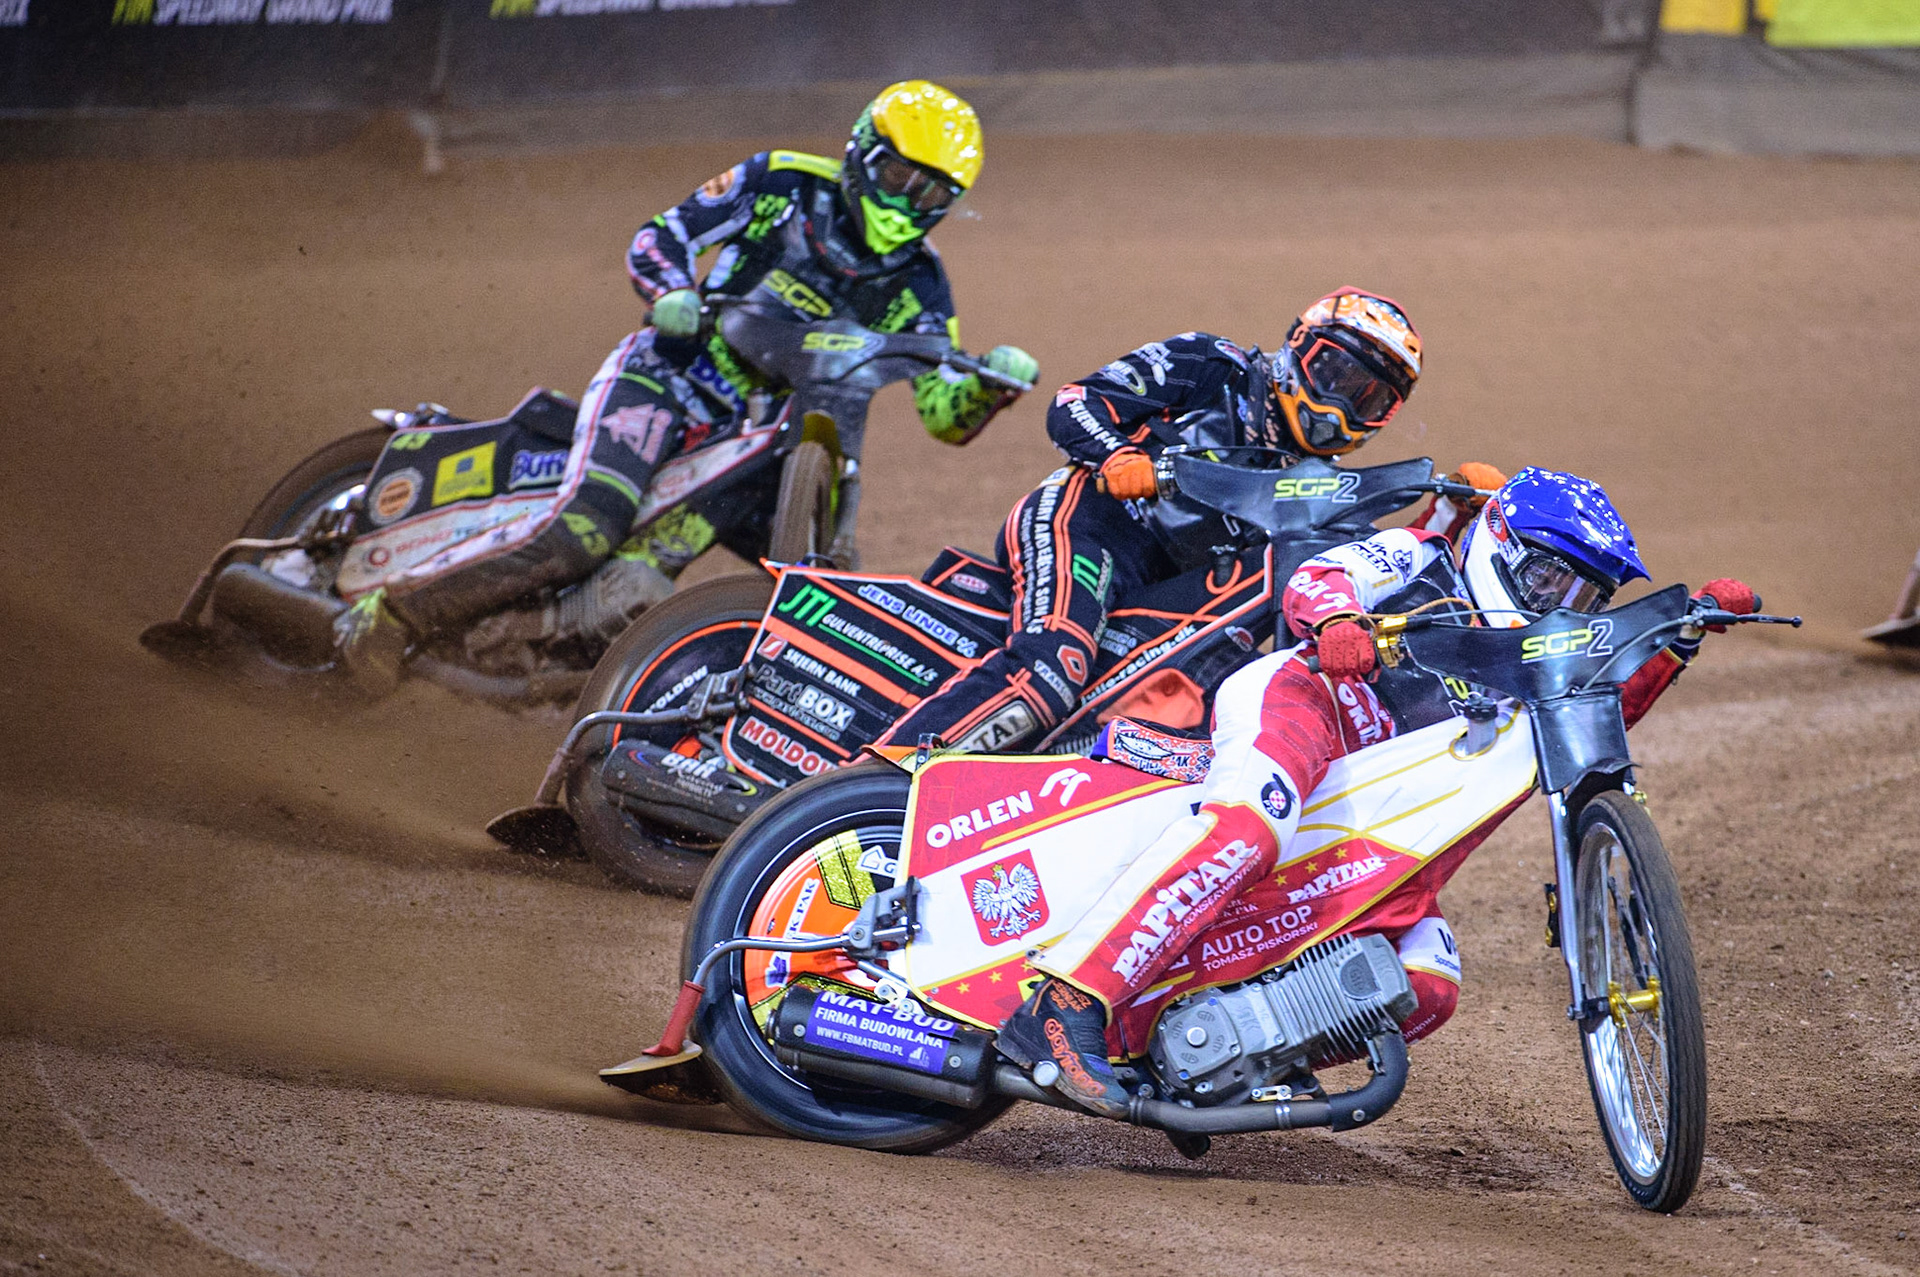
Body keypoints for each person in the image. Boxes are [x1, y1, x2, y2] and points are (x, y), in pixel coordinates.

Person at [995, 467, 1758, 1115]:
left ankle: (1214, 1067)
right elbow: (1320, 576)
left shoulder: (1534, 668)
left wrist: (1676, 643)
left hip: (1375, 825)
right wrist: (1336, 619)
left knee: (1429, 981)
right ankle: (1064, 1005)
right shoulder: (1422, 556)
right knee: (1252, 825)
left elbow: (1599, 714)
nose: (1560, 604)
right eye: (1549, 578)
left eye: (1583, 597)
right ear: (1500, 543)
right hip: (1306, 706)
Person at [332, 80, 1039, 694]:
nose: (908, 200)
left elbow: (943, 408)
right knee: (588, 528)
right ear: (861, 150)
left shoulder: (922, 280)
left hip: (762, 442)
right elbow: (660, 236)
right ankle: (394, 613)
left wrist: (992, 384)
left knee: (787, 594)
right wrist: (670, 289)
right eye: (898, 175)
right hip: (666, 379)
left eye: (933, 191)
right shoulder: (783, 183)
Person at [877, 287, 1504, 754]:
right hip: (1091, 525)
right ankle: (872, 790)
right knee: (1050, 672)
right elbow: (1075, 402)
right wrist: (1117, 455)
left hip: (1172, 594)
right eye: (1332, 373)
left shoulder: (1326, 490)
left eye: (1367, 397)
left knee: (1175, 727)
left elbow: (1369, 570)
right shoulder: (1211, 365)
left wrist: (1450, 513)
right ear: (1296, 347)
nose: (1340, 401)